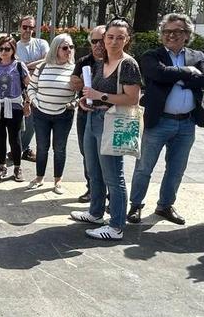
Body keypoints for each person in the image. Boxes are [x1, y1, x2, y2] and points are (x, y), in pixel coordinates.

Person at [127, 13, 204, 225]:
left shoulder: (198, 55)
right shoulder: (152, 55)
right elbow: (156, 73)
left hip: (187, 123)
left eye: (177, 31)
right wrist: (187, 73)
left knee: (176, 169)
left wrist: (175, 77)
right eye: (167, 32)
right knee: (144, 167)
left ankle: (165, 205)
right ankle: (136, 205)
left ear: (187, 34)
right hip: (158, 122)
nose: (171, 35)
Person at [71, 18, 141, 240]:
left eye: (120, 37)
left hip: (113, 121)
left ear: (127, 40)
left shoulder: (127, 64)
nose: (114, 41)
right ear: (104, 38)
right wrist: (86, 101)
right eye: (110, 37)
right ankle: (95, 212)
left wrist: (99, 96)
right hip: (94, 117)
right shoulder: (101, 62)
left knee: (113, 175)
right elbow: (94, 92)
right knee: (94, 171)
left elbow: (132, 98)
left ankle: (116, 226)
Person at [26, 33, 78, 192]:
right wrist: (34, 102)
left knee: (60, 148)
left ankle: (57, 181)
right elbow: (31, 87)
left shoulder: (75, 68)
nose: (68, 50)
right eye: (64, 47)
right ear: (56, 49)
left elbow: (81, 93)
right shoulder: (42, 67)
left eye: (71, 47)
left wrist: (72, 104)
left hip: (63, 115)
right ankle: (39, 177)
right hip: (41, 114)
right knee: (42, 147)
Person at [0, 34, 31, 181]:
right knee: (0, 137)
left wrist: (27, 103)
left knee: (15, 138)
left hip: (15, 107)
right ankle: (2, 166)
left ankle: (17, 167)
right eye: (1, 49)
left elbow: (28, 85)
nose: (3, 52)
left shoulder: (19, 66)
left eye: (7, 49)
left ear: (13, 50)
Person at [71, 25, 107, 202]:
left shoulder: (115, 62)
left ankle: (109, 192)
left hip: (109, 115)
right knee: (88, 153)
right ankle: (92, 188)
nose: (98, 45)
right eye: (94, 41)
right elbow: (74, 83)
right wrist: (75, 82)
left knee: (108, 155)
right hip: (86, 113)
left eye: (102, 40)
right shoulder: (83, 61)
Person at [15, 15, 49, 162]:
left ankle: (21, 147)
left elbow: (48, 60)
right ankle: (19, 147)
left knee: (32, 120)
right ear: (19, 28)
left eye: (31, 27)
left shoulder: (41, 43)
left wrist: (25, 65)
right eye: (25, 27)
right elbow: (15, 65)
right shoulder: (14, 45)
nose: (28, 30)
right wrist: (33, 65)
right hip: (19, 87)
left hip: (38, 88)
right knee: (18, 120)